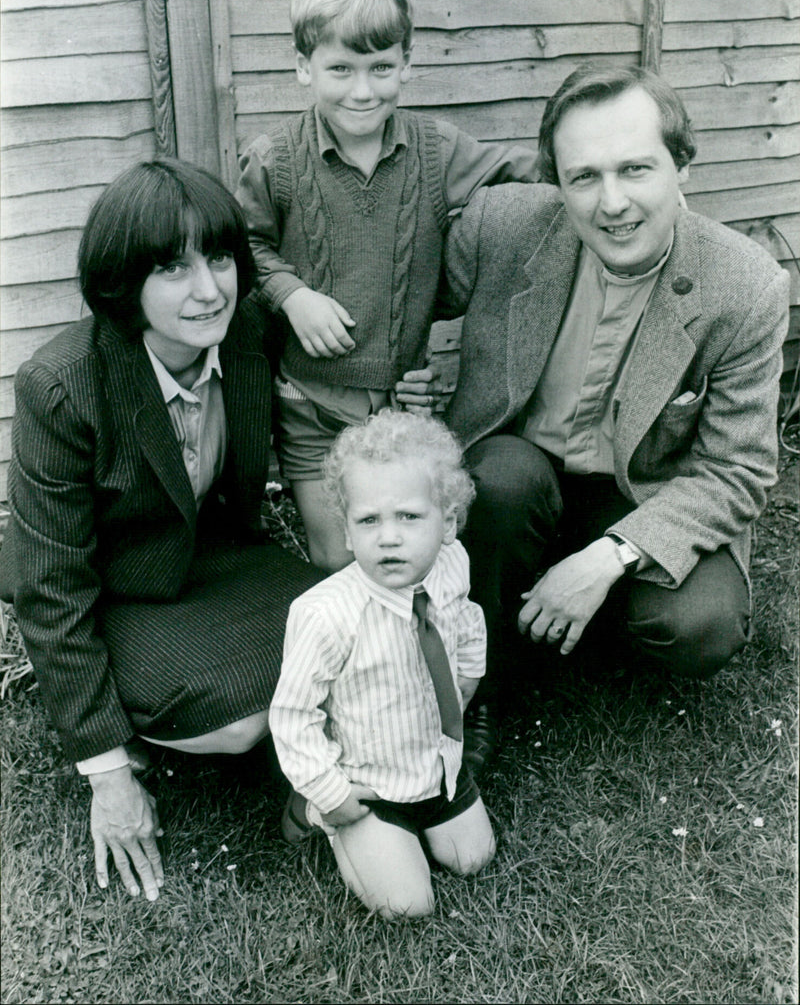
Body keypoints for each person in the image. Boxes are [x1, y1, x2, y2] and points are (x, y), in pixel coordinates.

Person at [419, 64, 788, 765]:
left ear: (682, 165)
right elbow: (402, 302)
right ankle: (484, 686)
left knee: (700, 625)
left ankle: (568, 610)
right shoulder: (504, 225)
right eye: (583, 176)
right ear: (556, 180)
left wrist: (609, 559)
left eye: (636, 169)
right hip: (522, 476)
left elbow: (737, 470)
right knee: (501, 477)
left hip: (640, 493)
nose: (611, 202)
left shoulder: (745, 287)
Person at [0, 159, 323, 903]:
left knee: (355, 628)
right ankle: (139, 728)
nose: (208, 289)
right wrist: (106, 771)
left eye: (217, 259)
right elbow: (49, 586)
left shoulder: (248, 335)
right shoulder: (60, 385)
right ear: (123, 280)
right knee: (240, 720)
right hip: (114, 584)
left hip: (217, 558)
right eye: (173, 267)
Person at [235, 0, 537, 572]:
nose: (362, 91)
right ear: (304, 67)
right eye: (341, 69)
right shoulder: (275, 160)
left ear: (406, 64)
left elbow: (524, 172)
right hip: (310, 405)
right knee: (339, 562)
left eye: (380, 67)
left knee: (407, 556)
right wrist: (293, 294)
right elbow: (240, 249)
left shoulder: (437, 149)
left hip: (403, 406)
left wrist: (612, 169)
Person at [269, 410, 495, 918]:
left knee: (474, 858)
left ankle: (432, 814)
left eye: (409, 517)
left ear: (449, 524)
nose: (388, 537)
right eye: (368, 520)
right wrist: (332, 793)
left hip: (437, 767)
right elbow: (292, 716)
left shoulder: (451, 564)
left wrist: (470, 671)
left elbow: (465, 615)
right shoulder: (326, 615)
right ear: (347, 533)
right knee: (406, 906)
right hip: (368, 784)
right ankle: (311, 811)